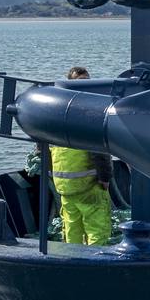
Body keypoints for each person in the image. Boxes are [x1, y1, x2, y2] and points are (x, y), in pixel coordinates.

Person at [50, 66, 114, 244]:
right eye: (82, 82)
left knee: (72, 228)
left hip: (65, 186)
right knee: (97, 229)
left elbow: (43, 149)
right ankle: (97, 265)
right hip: (88, 184)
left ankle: (73, 260)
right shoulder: (88, 113)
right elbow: (99, 150)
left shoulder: (54, 115)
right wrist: (105, 177)